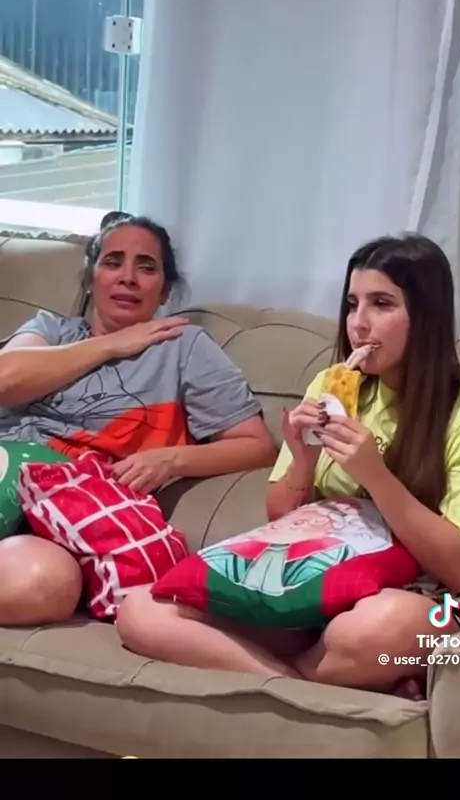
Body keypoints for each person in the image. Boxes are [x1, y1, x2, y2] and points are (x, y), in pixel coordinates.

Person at [116, 233, 460, 697]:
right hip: (321, 585)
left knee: (380, 629)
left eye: (382, 304)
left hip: (438, 602)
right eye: (352, 304)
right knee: (141, 611)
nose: (359, 324)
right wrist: (304, 461)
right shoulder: (332, 385)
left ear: (427, 315)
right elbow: (282, 518)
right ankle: (298, 686)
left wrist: (375, 476)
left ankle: (347, 670)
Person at [0, 211, 278, 626]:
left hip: (71, 511)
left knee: (43, 583)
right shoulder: (52, 331)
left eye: (146, 267)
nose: (128, 278)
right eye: (113, 262)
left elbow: (257, 445)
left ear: (164, 290)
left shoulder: (182, 346)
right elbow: (5, 379)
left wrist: (171, 459)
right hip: (8, 466)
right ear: (91, 278)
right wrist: (111, 345)